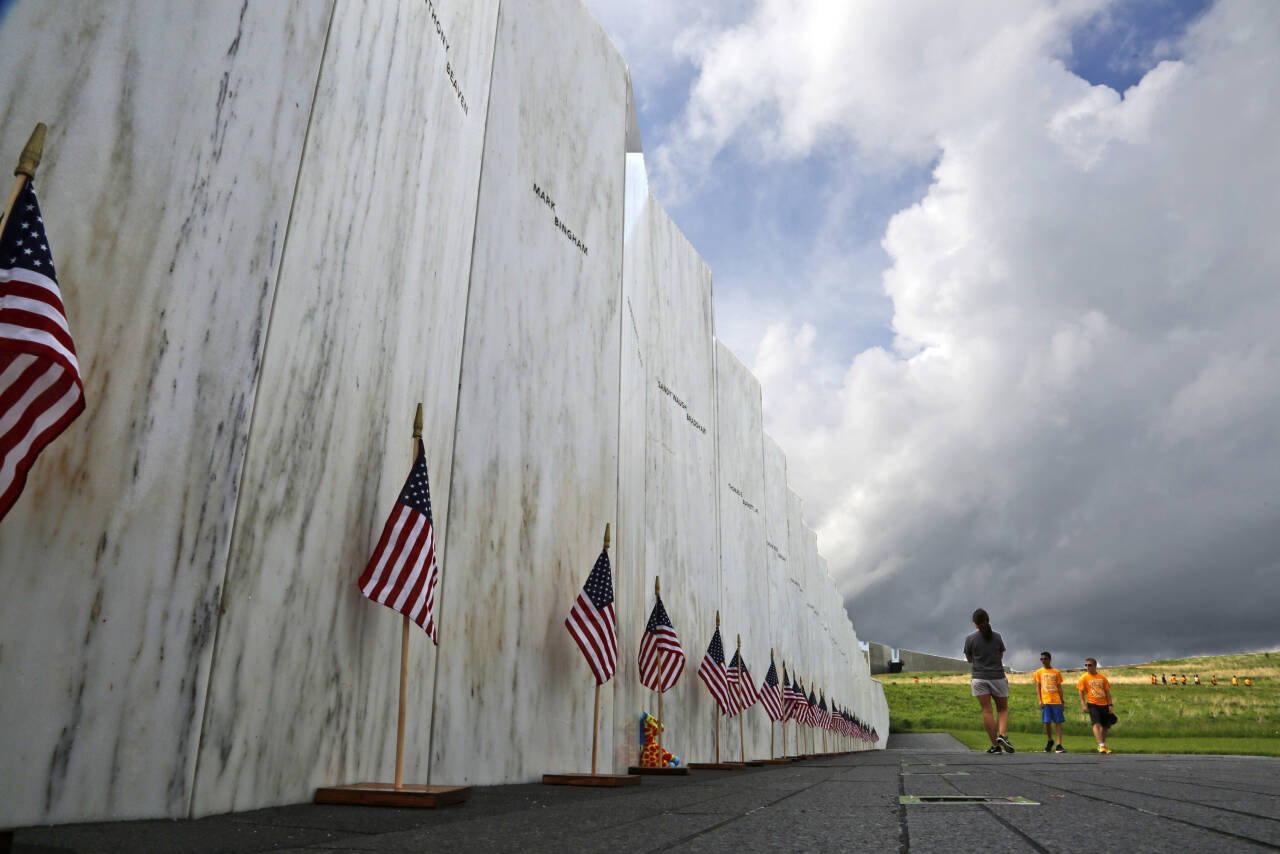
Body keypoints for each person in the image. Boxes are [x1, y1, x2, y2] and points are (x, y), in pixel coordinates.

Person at [964, 608, 1014, 754]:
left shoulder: (970, 639)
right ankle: (1003, 735)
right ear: (988, 620)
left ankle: (995, 746)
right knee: (1002, 709)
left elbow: (969, 659)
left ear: (975, 623)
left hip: (979, 678)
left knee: (987, 711)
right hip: (997, 677)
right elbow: (1000, 656)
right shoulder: (997, 637)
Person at [1078, 658, 1115, 754]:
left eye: (1089, 665)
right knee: (1096, 723)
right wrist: (1084, 705)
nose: (1087, 667)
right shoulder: (1084, 678)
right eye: (1086, 665)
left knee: (1106, 725)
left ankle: (1102, 744)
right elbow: (1081, 693)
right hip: (1092, 704)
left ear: (1095, 666)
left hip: (1104, 704)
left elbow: (1107, 692)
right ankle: (1101, 746)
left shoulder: (1102, 677)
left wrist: (1110, 704)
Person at [1033, 651, 1067, 753]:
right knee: (1047, 722)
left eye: (1045, 659)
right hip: (1046, 701)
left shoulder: (1056, 672)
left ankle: (1059, 744)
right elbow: (1038, 687)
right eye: (1041, 659)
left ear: (1050, 659)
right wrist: (1040, 700)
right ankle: (1050, 740)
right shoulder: (1039, 672)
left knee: (1058, 722)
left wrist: (1062, 702)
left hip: (1056, 701)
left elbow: (1059, 688)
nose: (1043, 661)